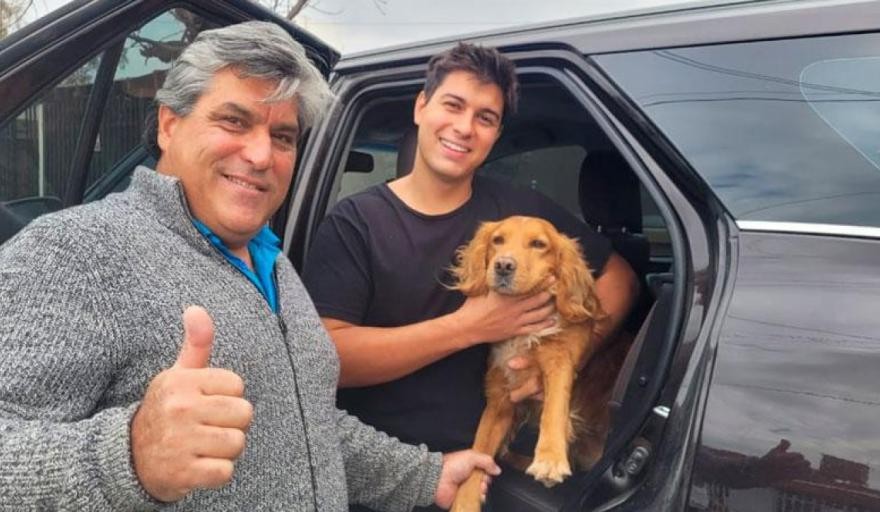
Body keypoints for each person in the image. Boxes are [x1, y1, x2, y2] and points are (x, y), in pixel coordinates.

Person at [0, 22, 500, 511]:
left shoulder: (273, 262)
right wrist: (130, 456)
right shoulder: (76, 250)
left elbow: (306, 425)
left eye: (282, 137)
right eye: (234, 122)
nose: (262, 155)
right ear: (169, 124)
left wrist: (426, 475)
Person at [302, 43, 639, 509]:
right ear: (421, 107)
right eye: (453, 105)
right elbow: (327, 358)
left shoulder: (521, 213)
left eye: (485, 117)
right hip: (383, 477)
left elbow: (619, 280)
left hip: (494, 469)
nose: (464, 127)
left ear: (496, 134)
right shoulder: (355, 223)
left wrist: (565, 360)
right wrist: (469, 327)